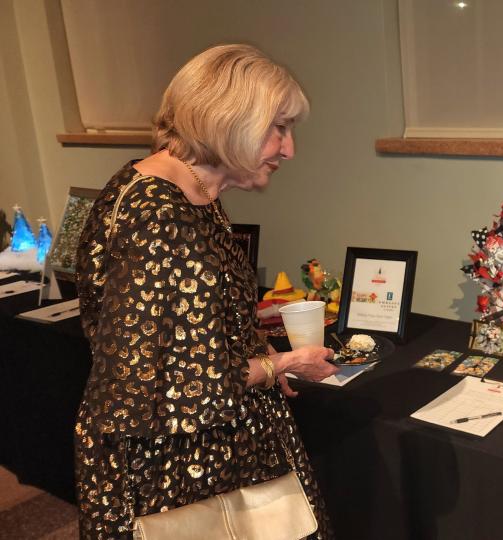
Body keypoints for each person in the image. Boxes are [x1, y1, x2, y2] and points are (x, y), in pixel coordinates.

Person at [73, 44, 339, 539]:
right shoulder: (159, 218)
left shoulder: (193, 193)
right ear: (228, 122)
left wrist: (258, 353)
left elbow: (197, 331)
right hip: (175, 476)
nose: (288, 149)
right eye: (278, 129)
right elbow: (154, 386)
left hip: (218, 448)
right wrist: (281, 364)